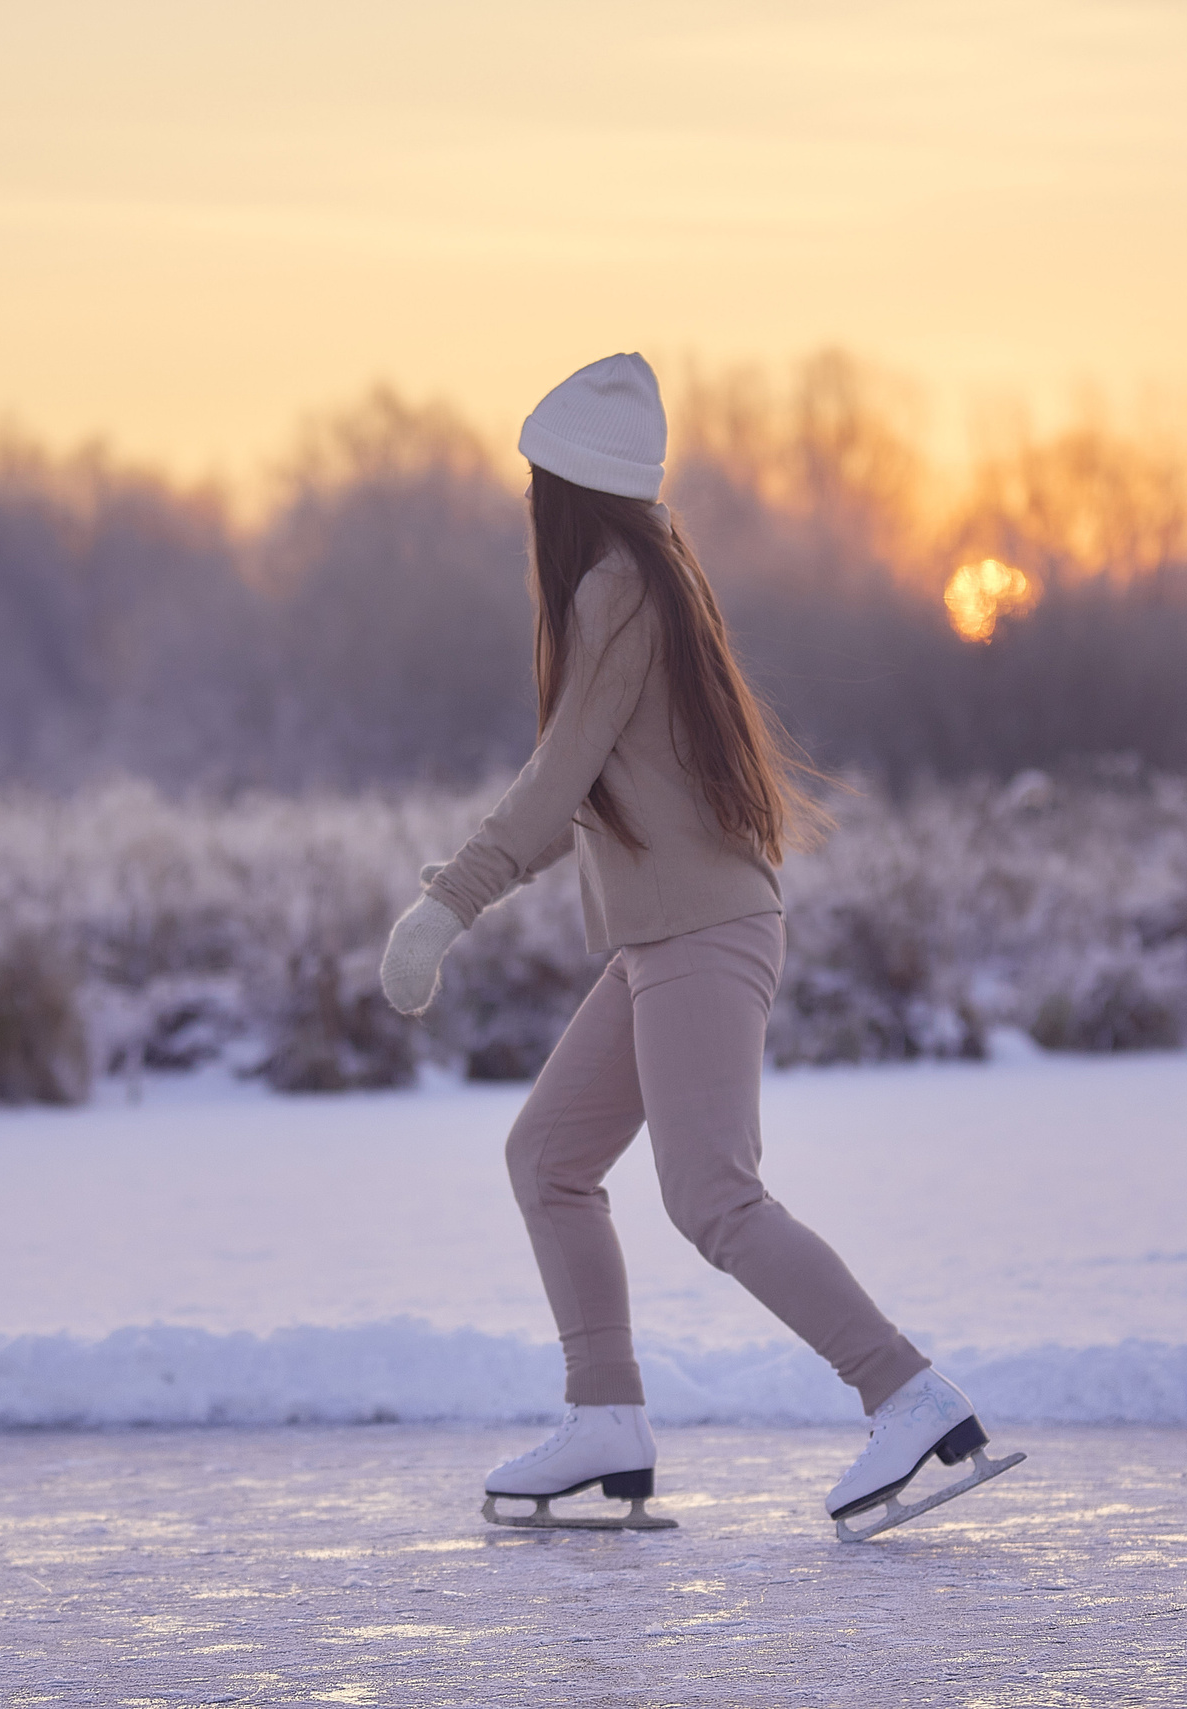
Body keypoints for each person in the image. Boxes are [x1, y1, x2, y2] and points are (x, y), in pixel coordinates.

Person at [378, 352, 995, 1532]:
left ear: (566, 491)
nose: (527, 507)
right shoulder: (650, 578)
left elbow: (556, 780)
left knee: (713, 1194)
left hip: (702, 932)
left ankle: (907, 1393)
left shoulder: (616, 592)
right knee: (549, 1156)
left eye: (536, 484)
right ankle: (605, 1416)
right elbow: (588, 789)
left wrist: (449, 901)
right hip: (668, 938)